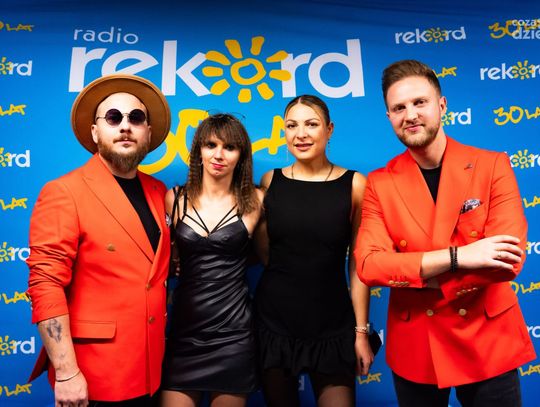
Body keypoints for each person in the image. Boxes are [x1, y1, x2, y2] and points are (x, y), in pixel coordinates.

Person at [355, 59, 536, 406]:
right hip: (417, 344)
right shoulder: (379, 183)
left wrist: (415, 273)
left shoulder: (491, 165)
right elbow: (369, 265)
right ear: (389, 116)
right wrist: (459, 256)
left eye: (419, 102)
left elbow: (508, 262)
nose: (410, 115)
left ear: (441, 105)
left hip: (487, 339)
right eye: (399, 108)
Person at [26, 74, 172, 407]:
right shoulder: (64, 191)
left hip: (151, 369)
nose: (125, 126)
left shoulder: (158, 191)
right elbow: (46, 284)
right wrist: (66, 372)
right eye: (113, 117)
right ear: (95, 132)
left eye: (136, 118)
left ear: (148, 133)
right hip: (95, 373)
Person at [254, 95, 374, 407]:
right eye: (292, 126)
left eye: (311, 124)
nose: (301, 134)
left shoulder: (354, 184)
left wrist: (361, 333)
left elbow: (358, 264)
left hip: (332, 323)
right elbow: (268, 255)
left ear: (329, 129)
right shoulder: (270, 181)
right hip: (275, 322)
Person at [160, 113, 264, 407]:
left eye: (229, 147)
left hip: (234, 336)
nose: (219, 155)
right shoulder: (174, 199)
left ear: (241, 155)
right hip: (184, 333)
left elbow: (268, 256)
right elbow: (169, 256)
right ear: (199, 151)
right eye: (211, 145)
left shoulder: (256, 201)